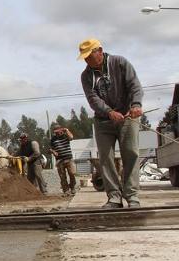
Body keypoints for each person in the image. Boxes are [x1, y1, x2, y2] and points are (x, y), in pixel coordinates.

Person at [78, 38, 143, 208]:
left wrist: (136, 105)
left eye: (89, 56)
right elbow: (93, 99)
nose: (86, 60)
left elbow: (134, 85)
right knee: (105, 159)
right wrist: (109, 112)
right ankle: (114, 197)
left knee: (130, 153)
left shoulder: (120, 63)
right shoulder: (86, 76)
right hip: (103, 121)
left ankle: (132, 195)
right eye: (84, 57)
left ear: (100, 51)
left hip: (127, 117)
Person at [50, 125, 77, 195]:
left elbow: (71, 137)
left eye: (58, 131)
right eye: (55, 132)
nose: (57, 133)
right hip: (60, 160)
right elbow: (51, 148)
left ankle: (72, 187)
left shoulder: (65, 136)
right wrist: (53, 152)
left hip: (68, 158)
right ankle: (66, 190)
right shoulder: (53, 139)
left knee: (72, 173)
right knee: (62, 177)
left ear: (61, 130)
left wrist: (66, 130)